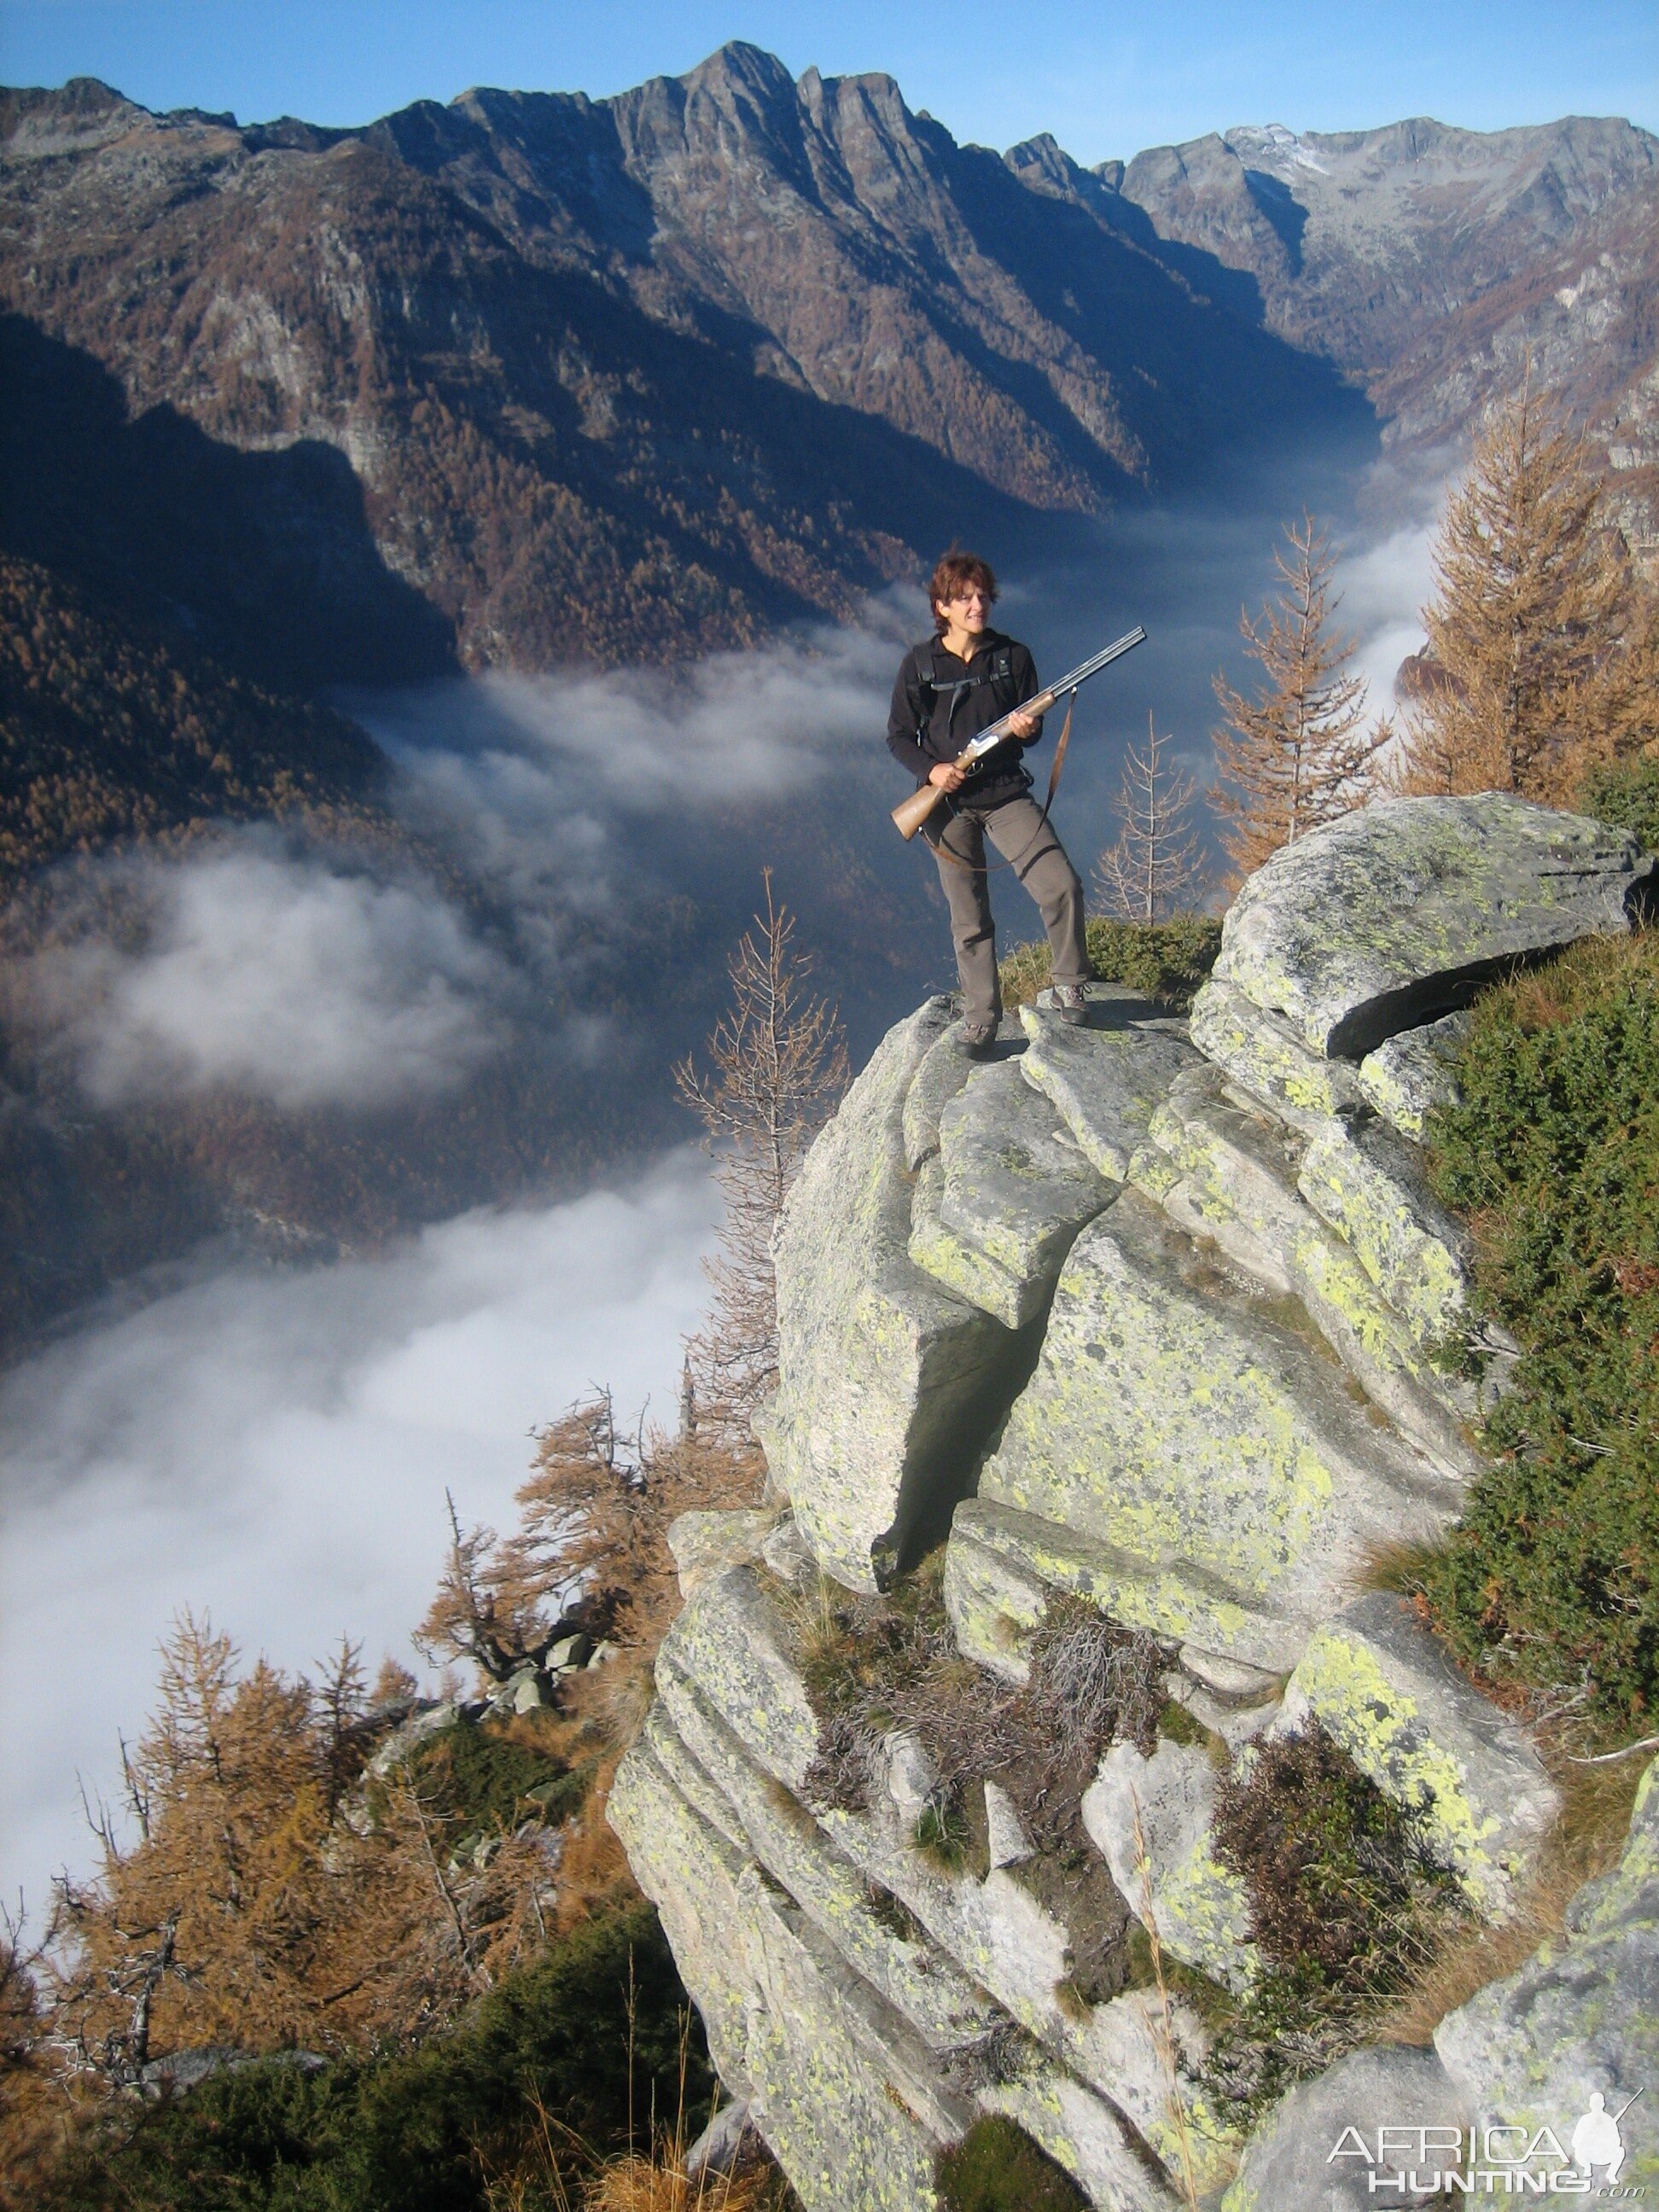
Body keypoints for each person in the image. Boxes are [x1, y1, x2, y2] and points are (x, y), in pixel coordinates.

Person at [888, 550, 1092, 1056]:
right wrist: (932, 772)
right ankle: (981, 1019)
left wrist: (1026, 727)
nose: (978, 604)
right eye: (965, 597)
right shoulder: (919, 666)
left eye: (982, 596)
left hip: (1004, 794)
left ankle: (1070, 982)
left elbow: (1032, 731)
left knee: (1061, 883)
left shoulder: (1013, 657)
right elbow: (898, 737)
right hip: (946, 807)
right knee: (969, 918)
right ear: (943, 607)